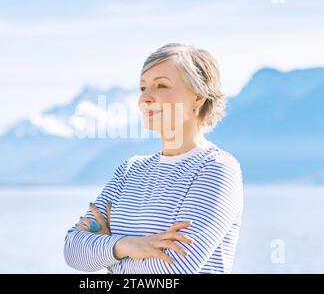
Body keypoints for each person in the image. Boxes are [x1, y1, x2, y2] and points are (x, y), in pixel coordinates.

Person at [63, 42, 244, 274]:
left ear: (198, 98)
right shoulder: (129, 171)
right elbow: (73, 250)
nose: (145, 98)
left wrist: (106, 253)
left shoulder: (216, 169)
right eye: (142, 88)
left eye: (161, 85)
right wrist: (127, 245)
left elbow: (171, 271)